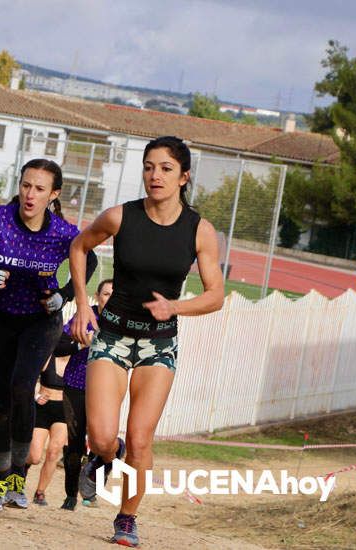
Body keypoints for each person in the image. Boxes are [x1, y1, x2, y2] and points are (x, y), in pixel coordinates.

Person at [69, 136, 224, 547]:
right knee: (103, 437)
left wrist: (175, 307)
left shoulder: (200, 231)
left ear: (184, 177)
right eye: (149, 167)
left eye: (166, 168)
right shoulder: (121, 217)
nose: (155, 176)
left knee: (141, 437)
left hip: (159, 345)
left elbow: (215, 296)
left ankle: (126, 518)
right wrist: (84, 305)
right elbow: (80, 245)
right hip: (113, 335)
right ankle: (104, 456)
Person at [0, 158, 97, 512]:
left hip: (40, 322)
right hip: (0, 320)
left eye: (39, 189)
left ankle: (18, 476)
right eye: (25, 185)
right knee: (0, 398)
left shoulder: (64, 233)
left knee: (22, 386)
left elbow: (89, 260)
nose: (30, 194)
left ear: (54, 195)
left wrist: (64, 295)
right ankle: (2, 477)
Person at [56, 278, 113, 511]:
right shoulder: (84, 317)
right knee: (76, 443)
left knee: (104, 443)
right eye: (106, 293)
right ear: (97, 297)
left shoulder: (123, 323)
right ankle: (71, 495)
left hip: (107, 389)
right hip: (76, 384)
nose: (110, 298)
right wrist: (80, 345)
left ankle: (94, 484)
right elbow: (57, 346)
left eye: (114, 294)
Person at [24, 355, 67, 507]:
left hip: (64, 410)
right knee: (35, 457)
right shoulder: (48, 357)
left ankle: (40, 492)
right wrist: (36, 395)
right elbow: (27, 378)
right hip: (43, 408)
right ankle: (23, 467)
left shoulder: (77, 362)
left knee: (54, 452)